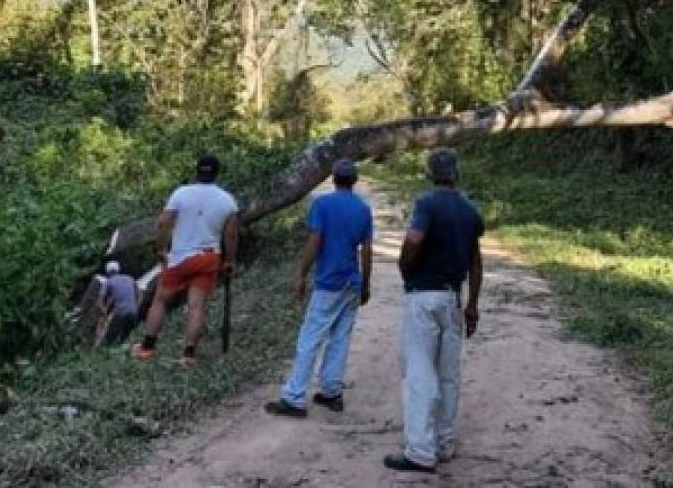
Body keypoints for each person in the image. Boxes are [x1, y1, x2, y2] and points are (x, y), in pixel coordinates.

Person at [384, 148, 484, 474]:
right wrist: (472, 306)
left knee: (419, 372)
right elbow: (475, 261)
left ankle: (419, 451)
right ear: (457, 173)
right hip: (453, 298)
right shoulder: (470, 210)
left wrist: (405, 267)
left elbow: (414, 240)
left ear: (430, 173)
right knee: (448, 374)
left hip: (423, 297)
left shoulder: (426, 203)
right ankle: (443, 442)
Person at [265, 157, 374, 417]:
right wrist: (366, 283)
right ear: (355, 180)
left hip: (329, 281)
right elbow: (367, 251)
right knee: (340, 338)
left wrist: (302, 274)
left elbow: (315, 241)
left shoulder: (322, 204)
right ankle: (331, 392)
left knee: (310, 338)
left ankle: (294, 397)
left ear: (333, 179)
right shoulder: (363, 209)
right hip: (351, 281)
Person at [132, 154, 239, 365]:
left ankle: (147, 347)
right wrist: (230, 261)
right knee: (196, 306)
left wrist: (162, 249)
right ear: (217, 173)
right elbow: (231, 235)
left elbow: (164, 223)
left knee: (161, 300)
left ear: (196, 171)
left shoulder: (181, 193)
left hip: (180, 257)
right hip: (209, 258)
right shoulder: (227, 200)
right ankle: (188, 354)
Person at [96, 260, 140, 347]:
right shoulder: (130, 278)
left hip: (120, 312)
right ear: (118, 270)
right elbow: (141, 294)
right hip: (134, 312)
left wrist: (104, 314)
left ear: (107, 272)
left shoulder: (108, 282)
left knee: (108, 341)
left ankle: (103, 354)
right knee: (125, 339)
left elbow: (99, 303)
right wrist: (136, 306)